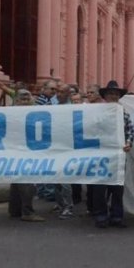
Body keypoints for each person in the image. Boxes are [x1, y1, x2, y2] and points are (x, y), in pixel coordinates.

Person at [92, 80, 134, 229]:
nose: (113, 96)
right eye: (110, 93)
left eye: (116, 94)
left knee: (117, 188)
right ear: (105, 96)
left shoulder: (123, 113)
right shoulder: (96, 112)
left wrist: (129, 143)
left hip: (118, 155)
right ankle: (101, 216)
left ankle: (117, 216)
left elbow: (130, 131)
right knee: (99, 188)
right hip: (100, 155)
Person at [8, 89, 45, 222]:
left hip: (25, 150)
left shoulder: (34, 114)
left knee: (18, 180)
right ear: (16, 101)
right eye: (22, 99)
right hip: (19, 151)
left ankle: (15, 209)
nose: (25, 102)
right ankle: (27, 211)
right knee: (26, 180)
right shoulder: (11, 114)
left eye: (27, 99)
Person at [53, 83, 75, 219]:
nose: (58, 94)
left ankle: (68, 206)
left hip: (67, 148)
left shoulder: (71, 109)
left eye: (61, 92)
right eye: (57, 91)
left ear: (67, 94)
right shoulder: (54, 108)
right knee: (55, 178)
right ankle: (60, 204)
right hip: (55, 147)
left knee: (65, 180)